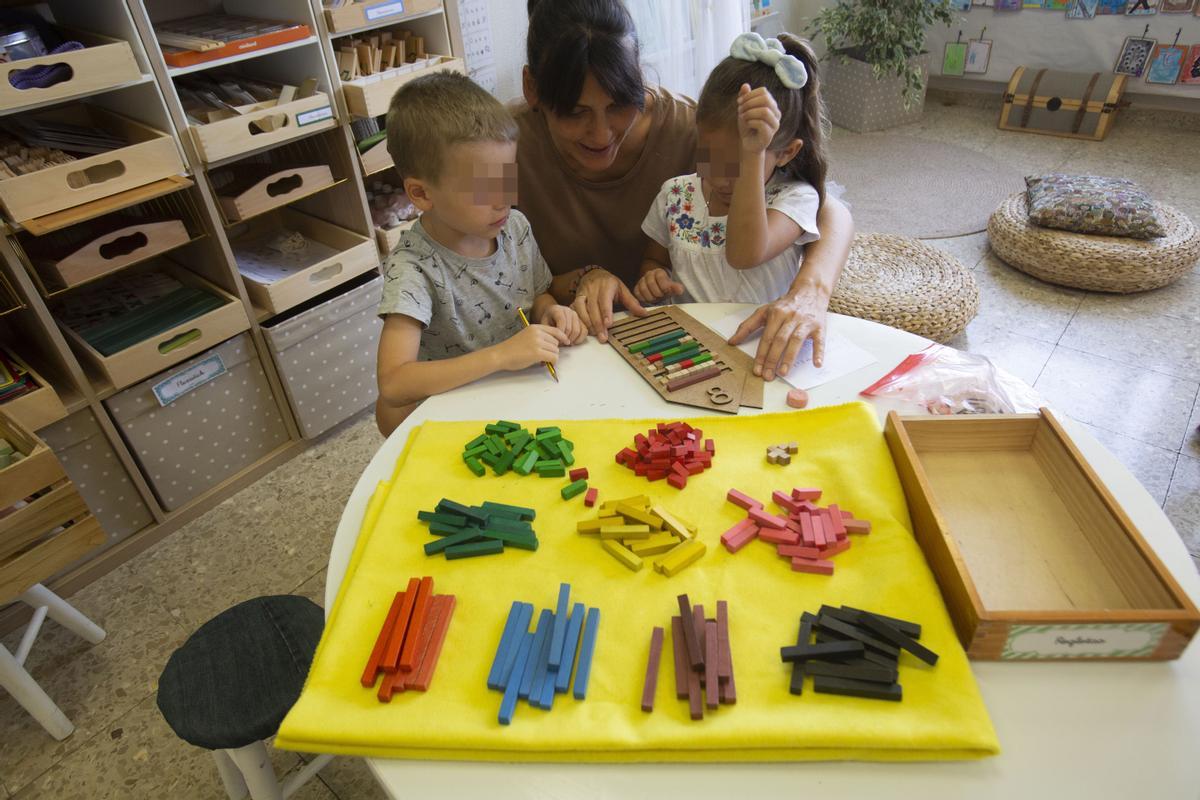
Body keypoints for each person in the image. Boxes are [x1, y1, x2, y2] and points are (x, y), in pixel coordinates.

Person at [515, 0, 852, 380]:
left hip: (691, 343)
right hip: (576, 350)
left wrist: (811, 292)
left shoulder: (698, 128)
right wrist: (582, 278)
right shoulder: (496, 152)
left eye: (620, 104)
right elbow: (471, 263)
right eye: (575, 113)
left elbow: (827, 208)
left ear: (636, 77)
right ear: (532, 89)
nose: (602, 133)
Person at [374, 73, 587, 436]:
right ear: (422, 194)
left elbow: (536, 294)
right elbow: (393, 384)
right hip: (454, 410)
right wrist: (501, 355)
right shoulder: (412, 268)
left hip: (511, 394)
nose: (503, 197)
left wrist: (550, 311)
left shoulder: (514, 227)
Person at [635, 33, 828, 323]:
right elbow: (655, 260)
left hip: (760, 347)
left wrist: (752, 153)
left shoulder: (794, 200)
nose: (722, 177)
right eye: (709, 154)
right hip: (691, 347)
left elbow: (745, 254)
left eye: (739, 164)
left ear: (787, 152)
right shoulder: (674, 196)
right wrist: (653, 277)